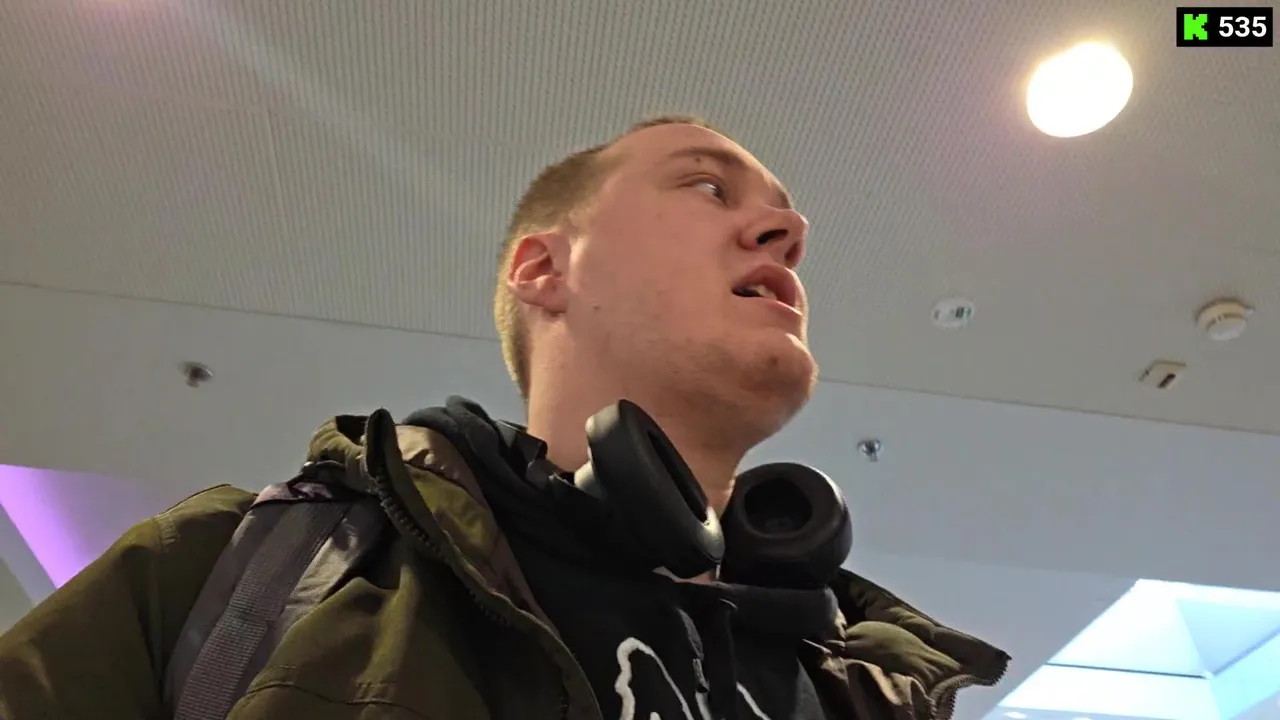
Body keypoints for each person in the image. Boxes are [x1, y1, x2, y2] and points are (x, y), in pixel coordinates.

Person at [0, 116, 1009, 719]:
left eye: (783, 218)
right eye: (707, 185)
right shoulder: (233, 570)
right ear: (542, 268)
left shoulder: (864, 680)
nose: (787, 231)